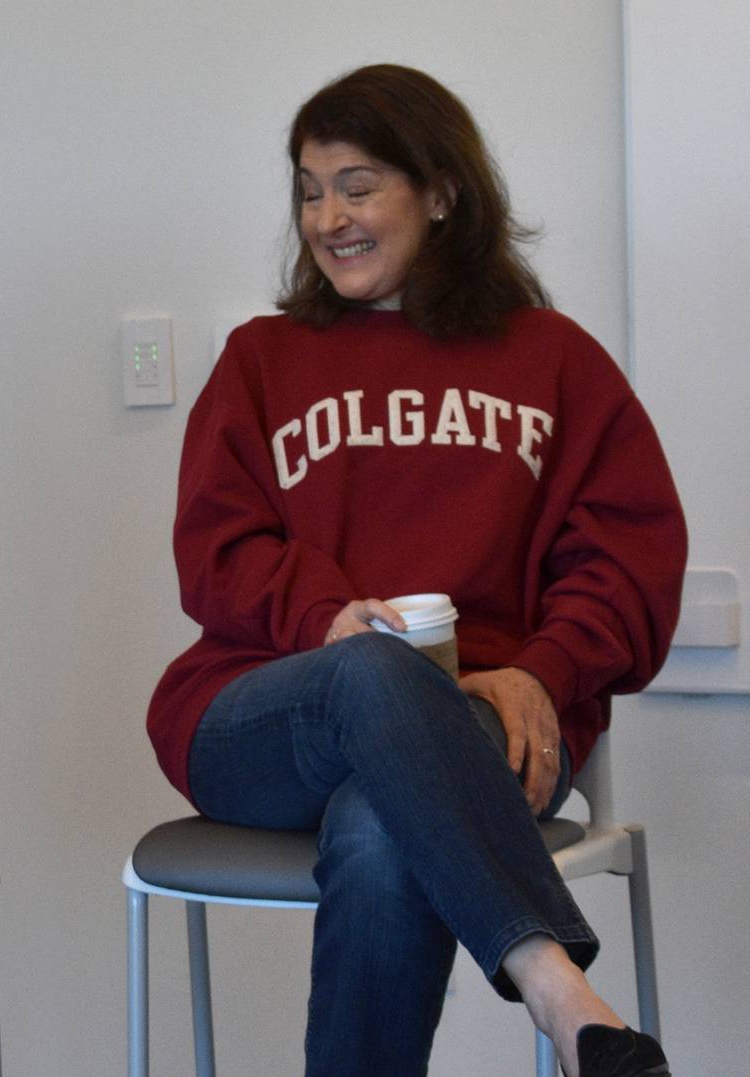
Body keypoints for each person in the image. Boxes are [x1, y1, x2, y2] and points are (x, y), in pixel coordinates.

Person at [149, 64, 686, 1077]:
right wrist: (329, 622)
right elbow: (214, 551)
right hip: (268, 712)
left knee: (379, 830)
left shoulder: (554, 360)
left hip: (493, 716)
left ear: (439, 193)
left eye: (356, 186)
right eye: (309, 191)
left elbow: (628, 562)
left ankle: (560, 1004)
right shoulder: (260, 360)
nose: (327, 218)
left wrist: (541, 671)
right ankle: (558, 989)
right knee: (371, 668)